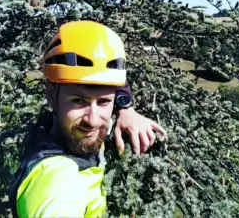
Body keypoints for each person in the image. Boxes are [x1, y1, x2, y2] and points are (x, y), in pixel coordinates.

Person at [9, 20, 167, 218]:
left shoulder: (51, 129)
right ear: (50, 94)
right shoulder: (57, 181)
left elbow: (114, 83)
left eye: (103, 102)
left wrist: (126, 109)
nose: (92, 120)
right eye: (78, 100)